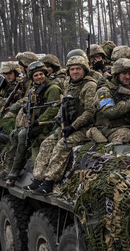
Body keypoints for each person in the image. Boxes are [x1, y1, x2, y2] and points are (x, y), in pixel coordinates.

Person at [28, 55, 98, 194]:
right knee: (47, 143)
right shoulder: (69, 84)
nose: (75, 72)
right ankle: (38, 179)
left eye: (78, 69)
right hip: (67, 125)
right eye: (72, 69)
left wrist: (73, 127)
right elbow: (63, 105)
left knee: (62, 145)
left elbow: (90, 112)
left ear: (84, 70)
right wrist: (60, 119)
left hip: (86, 128)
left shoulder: (89, 86)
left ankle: (49, 182)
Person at [2, 61, 62, 186]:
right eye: (36, 75)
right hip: (38, 122)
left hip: (47, 124)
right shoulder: (34, 90)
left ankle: (16, 169)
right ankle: (10, 167)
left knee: (23, 135)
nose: (39, 77)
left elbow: (53, 110)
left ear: (45, 74)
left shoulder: (53, 89)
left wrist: (37, 122)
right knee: (14, 133)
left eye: (41, 74)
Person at [91, 58, 130, 144]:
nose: (128, 77)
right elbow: (109, 112)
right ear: (116, 74)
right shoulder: (104, 91)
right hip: (109, 129)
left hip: (129, 126)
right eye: (124, 73)